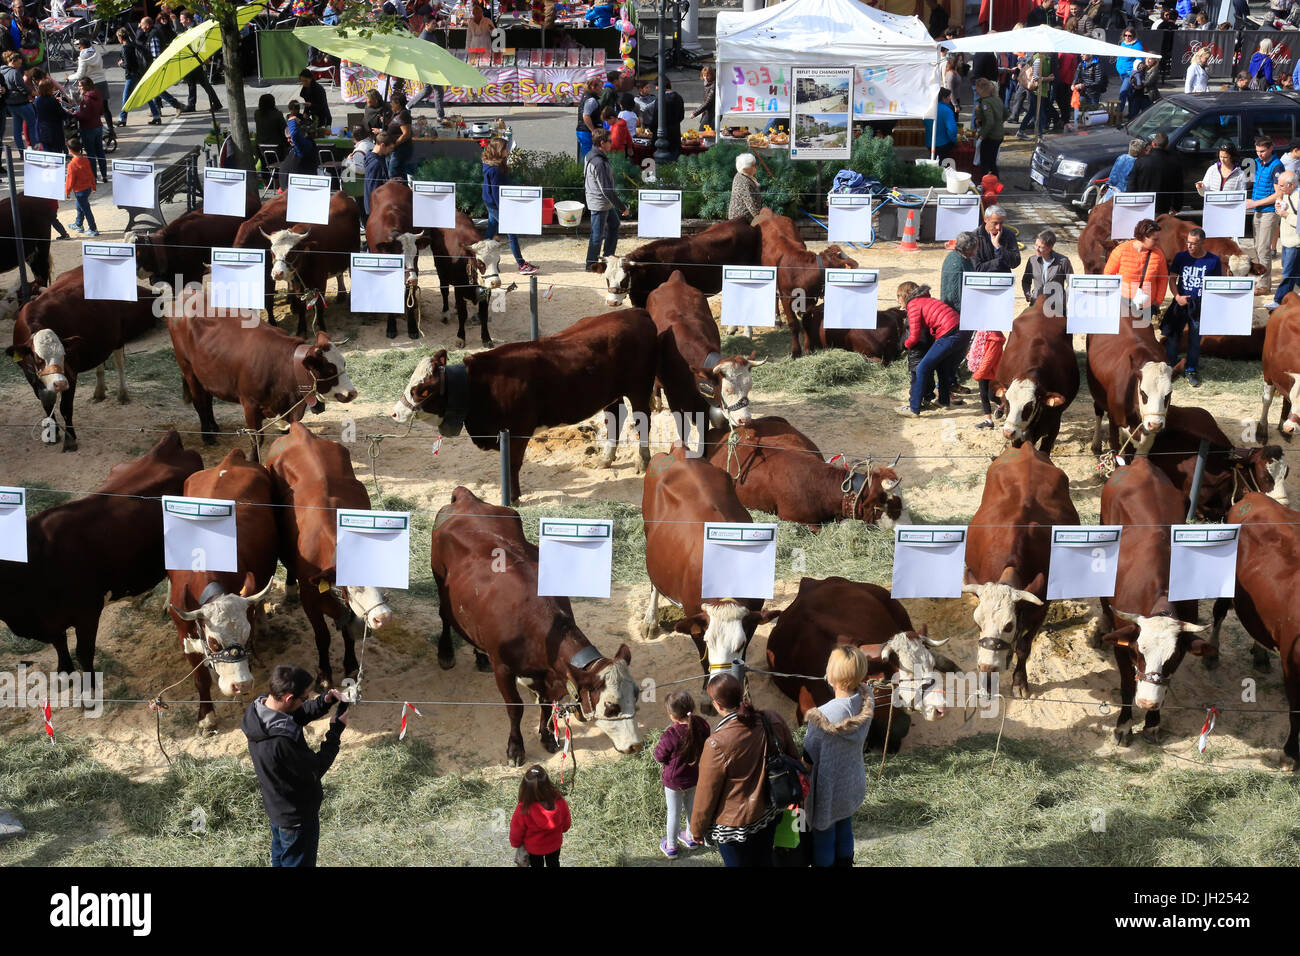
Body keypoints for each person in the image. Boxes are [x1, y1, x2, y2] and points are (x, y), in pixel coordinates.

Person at [241, 663, 349, 868]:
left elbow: (294, 715)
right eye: (304, 697)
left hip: (277, 809)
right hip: (297, 817)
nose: (306, 700)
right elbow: (315, 769)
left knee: (281, 859)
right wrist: (336, 731)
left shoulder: (260, 708)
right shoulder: (280, 744)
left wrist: (323, 702)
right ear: (289, 697)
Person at [689, 672, 799, 867]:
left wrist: (697, 830)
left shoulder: (716, 743)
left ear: (717, 704)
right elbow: (793, 757)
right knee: (765, 860)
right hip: (770, 811)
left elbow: (706, 793)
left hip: (734, 828)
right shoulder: (771, 718)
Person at [798, 645, 873, 868]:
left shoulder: (822, 716)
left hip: (827, 790)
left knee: (824, 836)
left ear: (831, 675)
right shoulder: (867, 701)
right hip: (851, 781)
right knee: (845, 826)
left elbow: (808, 761)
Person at [653, 689, 709, 859]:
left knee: (673, 812)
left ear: (672, 715)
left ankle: (671, 846)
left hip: (674, 781)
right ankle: (691, 838)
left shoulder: (670, 735)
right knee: (692, 808)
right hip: (695, 776)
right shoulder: (702, 724)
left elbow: (659, 756)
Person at [1163, 226, 1220, 388]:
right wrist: (1177, 297)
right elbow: (1172, 279)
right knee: (1173, 337)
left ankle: (1191, 370)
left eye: (1193, 244)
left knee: (1195, 340)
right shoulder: (1180, 257)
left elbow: (1215, 286)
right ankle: (1171, 367)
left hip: (1200, 306)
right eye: (1187, 242)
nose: (1189, 246)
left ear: (1202, 243)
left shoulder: (1213, 261)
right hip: (1180, 303)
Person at [898, 281, 964, 417]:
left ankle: (914, 408)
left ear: (904, 296)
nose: (898, 301)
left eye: (898, 296)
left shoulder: (913, 304)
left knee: (922, 368)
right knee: (942, 366)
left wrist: (905, 345)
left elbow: (915, 336)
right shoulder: (927, 299)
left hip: (949, 332)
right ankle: (944, 401)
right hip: (961, 330)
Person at [481, 137, 538, 276]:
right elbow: (496, 191)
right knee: (512, 232)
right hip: (496, 204)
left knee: (491, 230)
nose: (508, 150)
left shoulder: (493, 165)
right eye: (506, 148)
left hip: (491, 202)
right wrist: (505, 209)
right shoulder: (494, 170)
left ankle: (480, 257)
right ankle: (521, 264)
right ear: (499, 150)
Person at [1104, 218, 1169, 323]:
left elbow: (1163, 279)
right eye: (1155, 239)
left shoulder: (1158, 255)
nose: (1158, 243)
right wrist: (1113, 297)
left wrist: (1158, 301)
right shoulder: (1121, 250)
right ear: (1143, 237)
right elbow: (1108, 275)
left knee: (1142, 333)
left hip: (1147, 304)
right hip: (1123, 301)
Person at [509, 765, 570, 867]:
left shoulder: (523, 808)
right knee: (554, 863)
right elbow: (566, 819)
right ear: (547, 784)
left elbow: (517, 829)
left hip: (534, 848)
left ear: (525, 788)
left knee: (537, 864)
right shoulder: (558, 800)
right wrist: (563, 829)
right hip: (554, 843)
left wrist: (516, 843)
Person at [1246, 135, 1285, 293]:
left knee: (1263, 250)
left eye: (1262, 151)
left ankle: (1264, 285)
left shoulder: (1277, 166)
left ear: (1271, 148)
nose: (1259, 154)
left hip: (1269, 212)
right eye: (1257, 151)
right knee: (1257, 247)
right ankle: (1261, 281)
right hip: (1258, 211)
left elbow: (1278, 194)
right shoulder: (1258, 163)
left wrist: (1255, 203)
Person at [584, 129, 625, 272]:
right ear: (602, 143)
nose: (611, 143)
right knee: (597, 235)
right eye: (609, 141)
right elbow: (607, 189)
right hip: (600, 203)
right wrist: (622, 207)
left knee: (614, 224)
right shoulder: (599, 162)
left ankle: (608, 257)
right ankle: (590, 265)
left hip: (602, 202)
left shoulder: (592, 154)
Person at [1022, 228, 1074, 317]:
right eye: (1036, 245)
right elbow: (1026, 281)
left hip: (1057, 308)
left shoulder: (1063, 261)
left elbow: (1072, 283)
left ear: (1050, 247)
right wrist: (1027, 294)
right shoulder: (1032, 260)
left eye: (1041, 247)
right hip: (1036, 305)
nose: (1036, 249)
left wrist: (1064, 299)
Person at [138, 17, 184, 115]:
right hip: (155, 65)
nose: (140, 26)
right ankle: (157, 109)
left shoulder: (153, 35)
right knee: (156, 88)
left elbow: (156, 53)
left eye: (141, 24)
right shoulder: (151, 33)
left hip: (156, 65)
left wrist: (155, 67)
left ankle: (176, 104)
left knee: (155, 89)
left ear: (147, 25)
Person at [1129, 132, 1182, 216]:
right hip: (1163, 210)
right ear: (1167, 145)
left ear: (1153, 144)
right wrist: (1177, 207)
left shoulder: (1140, 161)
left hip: (1142, 208)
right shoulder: (1175, 163)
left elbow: (1131, 186)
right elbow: (1178, 187)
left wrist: (1130, 205)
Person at [180, 11, 222, 113]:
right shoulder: (189, 29)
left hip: (197, 59)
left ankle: (216, 103)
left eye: (182, 19)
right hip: (191, 59)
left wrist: (203, 58)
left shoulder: (196, 29)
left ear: (188, 20)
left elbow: (201, 44)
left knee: (203, 83)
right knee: (192, 83)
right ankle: (192, 105)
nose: (180, 21)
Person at [66, 37, 111, 129]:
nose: (79, 48)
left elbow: (80, 75)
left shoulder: (83, 58)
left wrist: (69, 77)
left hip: (90, 85)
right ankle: (111, 130)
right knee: (105, 108)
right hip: (102, 81)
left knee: (92, 108)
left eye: (79, 46)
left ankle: (96, 127)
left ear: (82, 46)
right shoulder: (97, 53)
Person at [117, 28, 156, 126]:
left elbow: (128, 64)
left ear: (120, 37)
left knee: (125, 98)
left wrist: (120, 64)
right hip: (139, 73)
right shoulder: (133, 44)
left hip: (131, 75)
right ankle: (156, 116)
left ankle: (122, 119)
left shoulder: (125, 48)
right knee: (145, 95)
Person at [968, 327, 1006, 428]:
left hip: (992, 371)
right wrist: (971, 355)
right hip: (982, 369)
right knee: (984, 395)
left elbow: (989, 359)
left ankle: (1003, 404)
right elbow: (976, 347)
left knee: (992, 396)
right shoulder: (981, 333)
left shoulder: (995, 338)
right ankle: (988, 420)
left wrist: (978, 374)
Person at [1274, 170, 1300, 309]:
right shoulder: (1287, 194)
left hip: (1295, 243)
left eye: (1282, 186)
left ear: (1291, 185)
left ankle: (1279, 300)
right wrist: (1279, 207)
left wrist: (1285, 214)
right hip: (1286, 241)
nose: (1279, 188)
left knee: (1288, 274)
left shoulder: (1298, 198)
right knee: (1294, 274)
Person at [73, 77, 106, 183]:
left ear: (86, 86)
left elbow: (84, 116)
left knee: (91, 154)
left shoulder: (86, 99)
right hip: (98, 126)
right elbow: (101, 111)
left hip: (88, 128)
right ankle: (104, 175)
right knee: (100, 152)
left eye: (80, 86)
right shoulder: (98, 94)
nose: (79, 88)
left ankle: (94, 177)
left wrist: (75, 114)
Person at [64, 135, 97, 236]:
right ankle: (78, 224)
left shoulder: (71, 165)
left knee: (86, 210)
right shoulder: (85, 159)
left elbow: (70, 180)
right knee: (80, 207)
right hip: (87, 188)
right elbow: (91, 173)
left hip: (79, 191)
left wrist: (67, 191)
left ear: (70, 150)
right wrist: (93, 186)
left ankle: (93, 229)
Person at [972, 78, 1005, 178]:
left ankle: (986, 183)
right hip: (998, 136)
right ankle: (994, 182)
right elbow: (1006, 115)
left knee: (985, 162)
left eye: (978, 88)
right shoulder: (997, 100)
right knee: (992, 161)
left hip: (989, 136)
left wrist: (982, 134)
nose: (976, 90)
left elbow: (989, 122)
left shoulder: (986, 102)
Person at [974, 204, 1021, 272]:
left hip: (1003, 279)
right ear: (985, 219)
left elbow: (1015, 263)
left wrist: (998, 247)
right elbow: (977, 268)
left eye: (1001, 223)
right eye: (995, 223)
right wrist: (1000, 261)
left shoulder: (1009, 235)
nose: (998, 227)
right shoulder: (974, 237)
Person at [1, 52, 33, 150]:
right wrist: (31, 93)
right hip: (22, 103)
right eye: (18, 64)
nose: (20, 66)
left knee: (17, 129)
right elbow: (22, 88)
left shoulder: (1, 71)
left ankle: (21, 151)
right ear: (13, 62)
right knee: (33, 125)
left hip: (10, 104)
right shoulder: (14, 72)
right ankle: (36, 151)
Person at [940, 230, 978, 311]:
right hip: (955, 313)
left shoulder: (960, 257)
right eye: (974, 249)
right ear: (968, 249)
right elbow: (955, 296)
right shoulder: (957, 265)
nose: (975, 252)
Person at [33, 78, 71, 155]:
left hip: (41, 130)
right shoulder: (52, 100)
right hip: (53, 132)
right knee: (56, 155)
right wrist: (70, 113)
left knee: (47, 154)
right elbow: (62, 114)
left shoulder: (37, 101)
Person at [282, 99, 318, 177]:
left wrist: (306, 118)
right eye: (292, 110)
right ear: (290, 109)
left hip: (301, 141)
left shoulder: (301, 117)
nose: (294, 112)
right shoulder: (289, 118)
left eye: (296, 109)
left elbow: (311, 125)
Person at [363, 131, 394, 216]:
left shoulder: (375, 156)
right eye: (390, 148)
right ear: (383, 145)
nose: (391, 151)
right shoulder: (376, 164)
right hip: (376, 208)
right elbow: (374, 189)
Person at [1116, 28, 1143, 117]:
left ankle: (1118, 113)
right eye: (1125, 35)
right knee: (1129, 94)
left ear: (1133, 36)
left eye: (1129, 35)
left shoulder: (1137, 46)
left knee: (1123, 92)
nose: (1127, 37)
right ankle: (1132, 114)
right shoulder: (1123, 43)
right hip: (1121, 73)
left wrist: (1133, 71)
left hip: (1129, 74)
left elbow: (1140, 60)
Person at [924, 88, 958, 159]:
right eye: (949, 96)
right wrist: (954, 140)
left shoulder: (928, 108)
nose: (950, 99)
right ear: (943, 98)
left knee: (934, 163)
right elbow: (952, 130)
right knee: (942, 165)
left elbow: (925, 122)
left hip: (930, 143)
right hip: (943, 144)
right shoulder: (947, 110)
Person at [386, 91, 414, 178]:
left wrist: (394, 144)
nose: (390, 104)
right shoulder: (396, 113)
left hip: (401, 149)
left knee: (394, 173)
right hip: (397, 149)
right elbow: (395, 126)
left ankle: (398, 190)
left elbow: (406, 134)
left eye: (392, 102)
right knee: (398, 173)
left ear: (397, 103)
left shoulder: (403, 114)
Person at [728, 151, 762, 222]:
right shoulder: (744, 181)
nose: (756, 166)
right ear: (745, 168)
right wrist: (760, 218)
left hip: (742, 218)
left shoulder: (742, 175)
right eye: (753, 165)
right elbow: (750, 204)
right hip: (742, 221)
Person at [576, 76, 601, 162]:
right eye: (600, 87)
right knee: (589, 157)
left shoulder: (585, 96)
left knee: (584, 156)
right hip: (586, 132)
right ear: (593, 87)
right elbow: (586, 116)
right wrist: (593, 130)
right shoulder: (591, 100)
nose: (601, 89)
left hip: (582, 130)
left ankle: (582, 172)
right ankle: (587, 174)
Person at [691, 65, 715, 131]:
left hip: (712, 113)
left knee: (702, 131)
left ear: (712, 75)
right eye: (704, 76)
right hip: (708, 112)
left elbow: (707, 102)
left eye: (708, 75)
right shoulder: (708, 84)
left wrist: (695, 113)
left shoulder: (713, 86)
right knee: (708, 132)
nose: (706, 78)